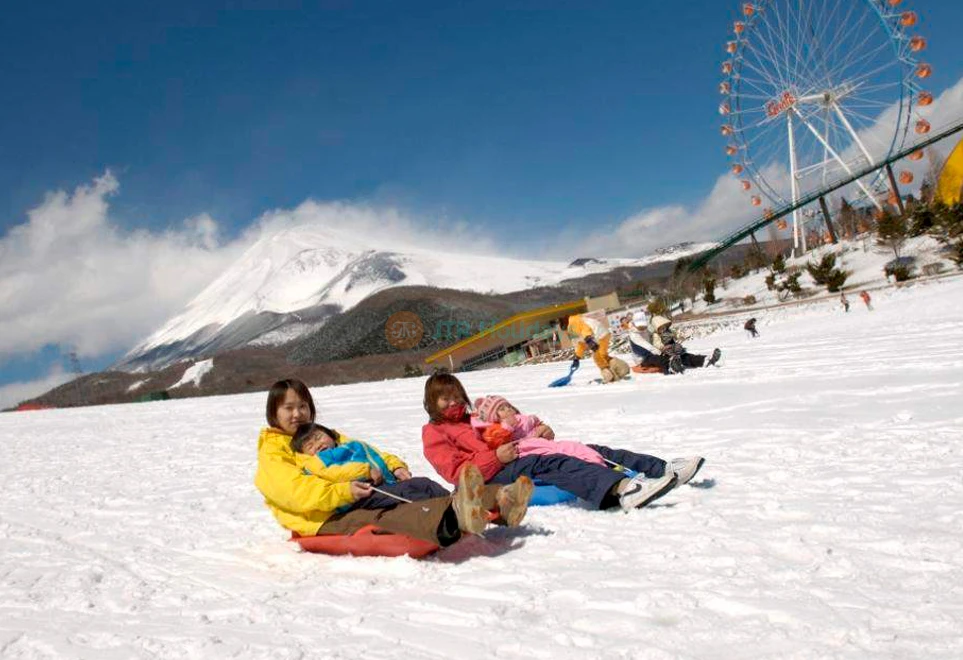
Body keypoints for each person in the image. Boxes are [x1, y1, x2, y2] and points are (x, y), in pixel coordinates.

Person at [254, 378, 534, 547]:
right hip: (321, 517)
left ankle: (498, 500)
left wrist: (395, 465)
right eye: (288, 408)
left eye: (302, 406)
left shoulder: (323, 434)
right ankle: (455, 517)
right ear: (273, 413)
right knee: (383, 516)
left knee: (417, 488)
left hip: (363, 492)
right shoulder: (274, 452)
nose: (297, 414)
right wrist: (344, 491)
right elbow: (296, 493)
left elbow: (365, 451)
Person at [421, 373, 706, 513]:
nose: (454, 402)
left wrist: (538, 433)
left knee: (587, 449)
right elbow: (455, 473)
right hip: (486, 476)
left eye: (457, 395)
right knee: (546, 462)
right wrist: (497, 458)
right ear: (432, 402)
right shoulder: (433, 432)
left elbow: (510, 429)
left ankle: (662, 468)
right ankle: (622, 489)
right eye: (445, 398)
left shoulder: (476, 418)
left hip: (512, 455)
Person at [471, 395, 607, 466]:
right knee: (559, 453)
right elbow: (494, 440)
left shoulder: (523, 418)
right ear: (494, 417)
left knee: (569, 446)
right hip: (526, 450)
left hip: (540, 442)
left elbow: (538, 425)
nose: (507, 409)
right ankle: (591, 463)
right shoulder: (498, 427)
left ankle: (595, 460)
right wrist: (507, 427)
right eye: (501, 409)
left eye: (508, 406)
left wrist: (543, 429)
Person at [564, 313, 630, 383]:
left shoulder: (575, 323)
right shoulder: (575, 326)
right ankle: (620, 369)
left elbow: (585, 329)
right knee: (601, 355)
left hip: (600, 334)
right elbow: (581, 344)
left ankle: (610, 374)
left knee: (599, 356)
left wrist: (588, 339)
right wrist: (577, 357)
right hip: (599, 335)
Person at [650, 315, 722, 371]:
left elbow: (674, 339)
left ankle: (705, 360)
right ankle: (674, 366)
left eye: (665, 327)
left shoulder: (668, 332)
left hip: (675, 350)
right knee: (675, 359)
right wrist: (663, 347)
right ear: (657, 328)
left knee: (687, 357)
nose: (664, 329)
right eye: (662, 327)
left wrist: (679, 341)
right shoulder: (656, 335)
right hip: (665, 353)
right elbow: (656, 345)